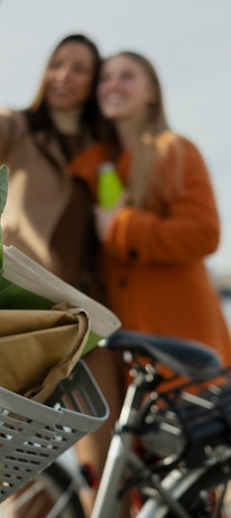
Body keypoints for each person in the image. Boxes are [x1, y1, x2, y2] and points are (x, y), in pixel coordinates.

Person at [70, 50, 231, 513]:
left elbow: (205, 233)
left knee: (194, 479)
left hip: (182, 336)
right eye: (104, 79)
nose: (111, 85)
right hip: (132, 351)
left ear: (152, 91)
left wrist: (123, 227)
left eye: (127, 76)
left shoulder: (175, 150)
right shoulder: (102, 165)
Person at [0, 24, 107, 299]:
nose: (63, 75)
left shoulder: (103, 152)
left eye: (79, 69)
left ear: (95, 81)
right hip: (19, 287)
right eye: (57, 64)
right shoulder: (19, 129)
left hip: (82, 303)